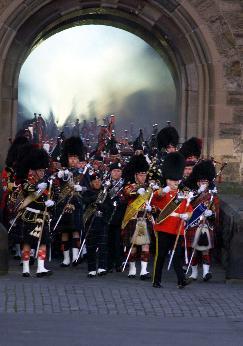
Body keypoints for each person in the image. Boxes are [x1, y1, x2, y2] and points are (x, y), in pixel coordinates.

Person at [151, 152, 193, 288]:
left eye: (177, 180)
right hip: (164, 227)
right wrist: (165, 188)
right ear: (168, 179)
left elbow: (189, 208)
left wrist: (187, 215)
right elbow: (155, 198)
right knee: (161, 255)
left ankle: (181, 280)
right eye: (172, 180)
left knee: (176, 256)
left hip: (178, 228)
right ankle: (156, 280)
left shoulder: (183, 194)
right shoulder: (163, 192)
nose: (175, 182)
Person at [15, 147, 54, 277]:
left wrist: (51, 203)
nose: (42, 173)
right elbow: (27, 191)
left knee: (43, 242)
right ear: (34, 170)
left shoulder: (47, 183)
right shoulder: (27, 182)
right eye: (40, 170)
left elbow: (52, 196)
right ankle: (25, 268)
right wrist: (37, 187)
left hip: (43, 216)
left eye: (43, 170)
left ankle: (40, 267)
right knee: (28, 243)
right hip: (30, 216)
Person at [184, 160, 219, 281]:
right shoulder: (192, 193)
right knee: (192, 249)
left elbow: (216, 212)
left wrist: (211, 214)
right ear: (197, 182)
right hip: (193, 224)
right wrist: (196, 194)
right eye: (202, 181)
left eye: (206, 181)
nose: (204, 183)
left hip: (205, 225)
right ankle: (193, 273)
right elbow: (186, 205)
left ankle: (205, 273)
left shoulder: (212, 195)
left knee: (204, 250)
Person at [122, 154, 153, 280]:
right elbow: (126, 193)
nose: (143, 177)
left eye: (144, 174)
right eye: (140, 174)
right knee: (133, 245)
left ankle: (144, 270)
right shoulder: (130, 186)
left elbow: (155, 203)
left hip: (145, 218)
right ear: (135, 175)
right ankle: (133, 268)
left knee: (145, 244)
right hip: (133, 218)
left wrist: (152, 208)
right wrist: (137, 190)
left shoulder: (150, 188)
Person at [57, 136, 86, 267]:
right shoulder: (63, 172)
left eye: (75, 158)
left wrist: (82, 188)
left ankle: (75, 256)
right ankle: (66, 258)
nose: (73, 160)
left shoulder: (84, 173)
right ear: (67, 159)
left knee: (75, 231)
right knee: (64, 232)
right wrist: (58, 176)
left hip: (77, 204)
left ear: (79, 159)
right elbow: (56, 187)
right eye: (70, 158)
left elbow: (90, 188)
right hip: (64, 204)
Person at [82, 173, 113, 277]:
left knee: (103, 245)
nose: (97, 183)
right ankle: (91, 269)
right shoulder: (87, 192)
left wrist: (102, 205)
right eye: (95, 181)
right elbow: (85, 201)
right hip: (91, 221)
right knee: (91, 246)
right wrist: (95, 199)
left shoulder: (105, 193)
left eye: (99, 181)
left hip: (102, 221)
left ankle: (102, 267)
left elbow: (110, 207)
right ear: (91, 183)